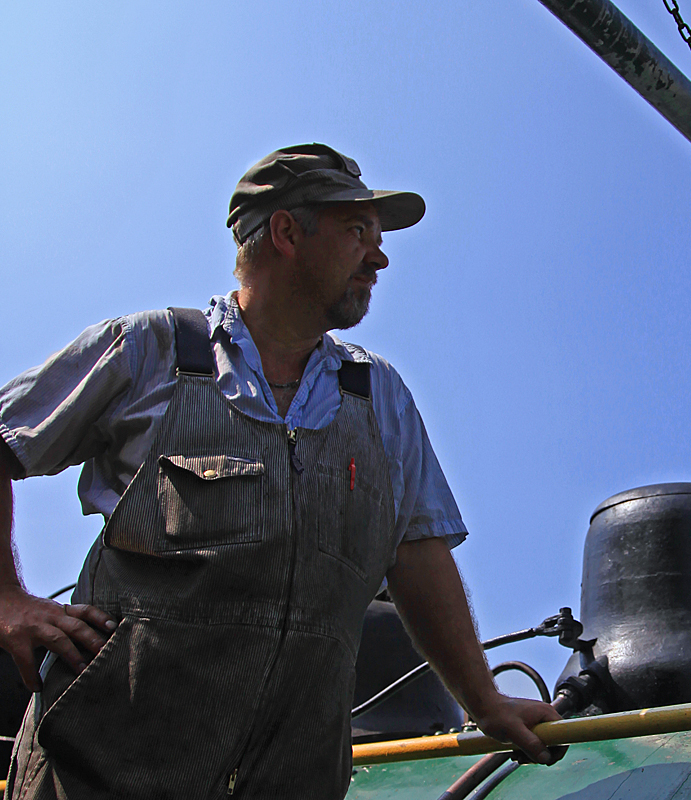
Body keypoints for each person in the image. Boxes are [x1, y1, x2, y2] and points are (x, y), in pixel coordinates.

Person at [0, 144, 560, 798]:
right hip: (105, 772)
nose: (379, 257)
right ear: (287, 233)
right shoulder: (152, 350)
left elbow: (418, 553)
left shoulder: (377, 395)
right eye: (357, 232)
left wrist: (484, 701)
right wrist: (7, 599)